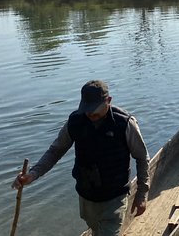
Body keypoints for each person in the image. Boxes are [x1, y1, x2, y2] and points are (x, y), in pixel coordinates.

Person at [11, 80, 150, 236]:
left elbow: (142, 158)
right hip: (86, 197)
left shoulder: (124, 123)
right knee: (96, 230)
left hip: (114, 198)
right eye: (87, 109)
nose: (90, 114)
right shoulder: (76, 121)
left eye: (95, 109)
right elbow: (55, 151)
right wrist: (32, 174)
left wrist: (141, 193)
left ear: (108, 101)